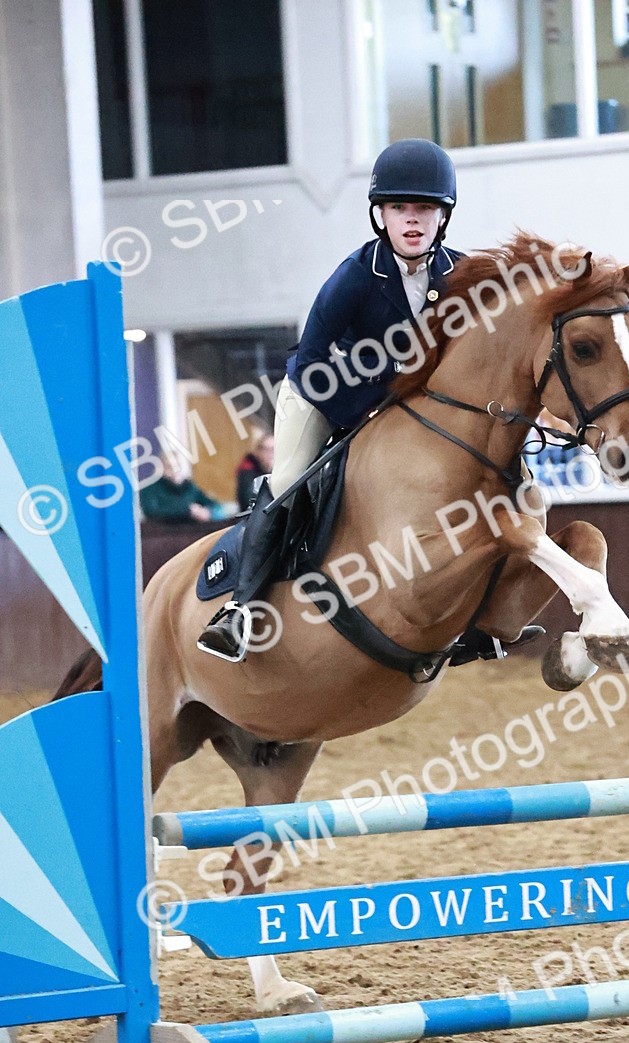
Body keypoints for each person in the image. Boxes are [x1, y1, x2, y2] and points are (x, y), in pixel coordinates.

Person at [197, 139, 541, 663]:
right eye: (399, 208)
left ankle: (481, 622)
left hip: (416, 408)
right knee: (289, 480)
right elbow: (312, 358)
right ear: (379, 214)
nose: (411, 219)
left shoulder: (465, 275)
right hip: (325, 392)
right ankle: (240, 611)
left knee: (514, 486)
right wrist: (370, 408)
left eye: (424, 208)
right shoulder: (355, 277)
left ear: (443, 217)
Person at [140, 454, 224, 524]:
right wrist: (188, 511)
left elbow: (212, 504)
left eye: (179, 466)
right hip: (163, 534)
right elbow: (152, 512)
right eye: (169, 467)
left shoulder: (189, 486)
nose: (175, 471)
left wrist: (207, 511)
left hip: (192, 531)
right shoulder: (149, 489)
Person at [236, 429, 275, 513]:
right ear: (258, 451)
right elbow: (248, 499)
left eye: (274, 449)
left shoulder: (280, 469)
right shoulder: (247, 469)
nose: (271, 454)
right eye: (267, 449)